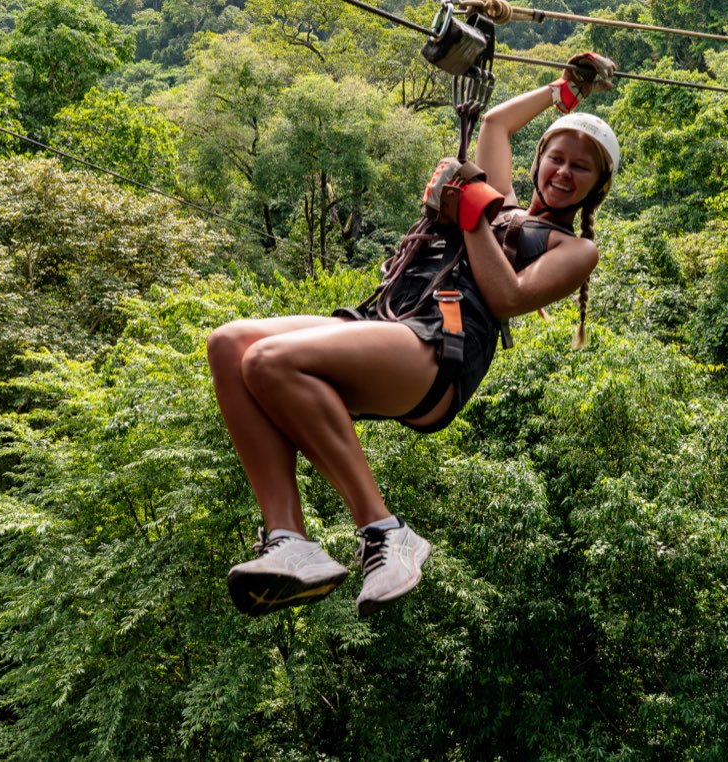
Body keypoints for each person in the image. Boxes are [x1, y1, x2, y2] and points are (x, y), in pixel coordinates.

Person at [206, 52, 618, 617]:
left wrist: (471, 209)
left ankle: (385, 531)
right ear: (538, 160)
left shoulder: (573, 250)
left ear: (598, 186)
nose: (563, 173)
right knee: (230, 345)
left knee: (270, 363)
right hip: (392, 321)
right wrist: (562, 94)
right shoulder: (505, 204)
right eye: (555, 157)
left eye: (581, 168)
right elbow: (495, 125)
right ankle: (288, 541)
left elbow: (508, 298)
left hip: (442, 350)